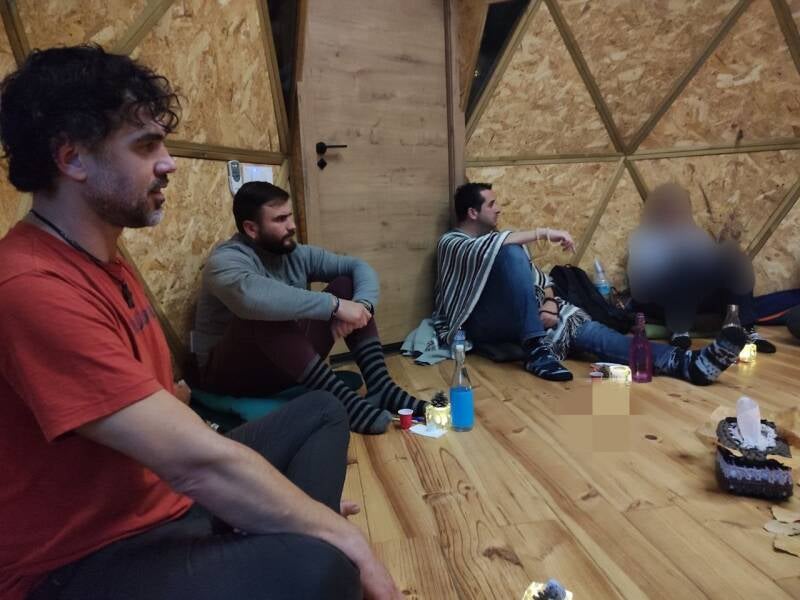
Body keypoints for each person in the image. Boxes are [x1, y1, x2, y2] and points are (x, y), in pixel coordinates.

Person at [0, 45, 399, 600]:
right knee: (323, 564)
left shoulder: (104, 261)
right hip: (84, 559)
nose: (169, 163)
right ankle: (302, 542)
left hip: (164, 501)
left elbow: (170, 425)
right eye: (146, 146)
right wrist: (338, 536)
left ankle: (289, 534)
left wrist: (288, 509)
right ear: (72, 159)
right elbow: (193, 463)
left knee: (322, 410)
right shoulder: (30, 287)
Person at [432, 182, 746, 384]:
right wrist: (544, 233)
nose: (499, 208)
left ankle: (687, 364)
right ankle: (537, 351)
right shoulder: (452, 243)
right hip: (484, 325)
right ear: (472, 212)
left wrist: (550, 301)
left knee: (602, 336)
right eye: (491, 204)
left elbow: (540, 278)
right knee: (511, 250)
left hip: (535, 318)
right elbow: (489, 251)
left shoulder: (499, 242)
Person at [193, 181, 424, 435]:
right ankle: (347, 405)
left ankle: (382, 386)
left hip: (284, 366)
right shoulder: (224, 261)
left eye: (290, 215)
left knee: (346, 284)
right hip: (230, 377)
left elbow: (358, 267)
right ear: (251, 228)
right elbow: (253, 299)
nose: (291, 225)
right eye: (280, 219)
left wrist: (362, 305)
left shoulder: (295, 254)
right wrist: (334, 306)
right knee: (266, 312)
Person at [627, 182, 776, 353]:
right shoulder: (643, 237)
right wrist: (674, 256)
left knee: (734, 262)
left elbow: (710, 268)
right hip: (661, 298)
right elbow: (644, 280)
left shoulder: (695, 234)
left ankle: (745, 327)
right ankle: (679, 330)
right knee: (682, 264)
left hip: (696, 296)